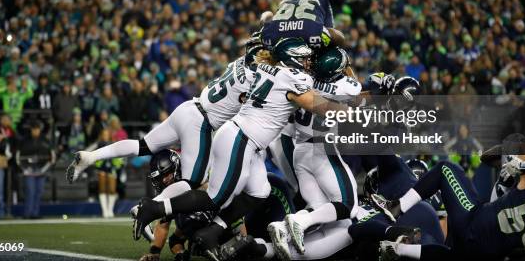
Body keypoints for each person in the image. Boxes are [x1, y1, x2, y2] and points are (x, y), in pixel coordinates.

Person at [132, 37, 357, 249]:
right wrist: (353, 108)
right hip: (241, 138)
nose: (309, 62)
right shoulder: (293, 78)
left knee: (260, 192)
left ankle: (213, 230)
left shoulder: (270, 68)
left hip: (242, 137)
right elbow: (319, 106)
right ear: (292, 59)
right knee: (215, 197)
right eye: (305, 58)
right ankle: (155, 207)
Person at [67, 34, 265, 206]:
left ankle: (92, 156)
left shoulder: (237, 63)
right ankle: (152, 206)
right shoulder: (255, 79)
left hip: (187, 108)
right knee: (193, 181)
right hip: (201, 123)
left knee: (142, 145)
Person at [371, 156, 525, 259]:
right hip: (487, 253)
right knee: (452, 256)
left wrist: (524, 166)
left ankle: (397, 208)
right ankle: (397, 250)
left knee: (446, 169)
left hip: (474, 222)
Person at [268, 46, 361, 258]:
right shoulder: (344, 86)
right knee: (349, 205)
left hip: (299, 150)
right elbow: (354, 88)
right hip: (322, 148)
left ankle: (283, 228)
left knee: (318, 206)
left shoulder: (303, 81)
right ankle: (298, 221)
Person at [17, 122, 54, 219]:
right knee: (30, 191)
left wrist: (44, 169)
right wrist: (24, 169)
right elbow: (18, 156)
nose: (36, 131)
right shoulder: (24, 141)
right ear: (31, 130)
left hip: (41, 170)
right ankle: (27, 213)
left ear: (40, 129)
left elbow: (52, 156)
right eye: (34, 129)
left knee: (39, 192)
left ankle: (35, 213)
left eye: (37, 129)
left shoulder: (45, 140)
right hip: (28, 170)